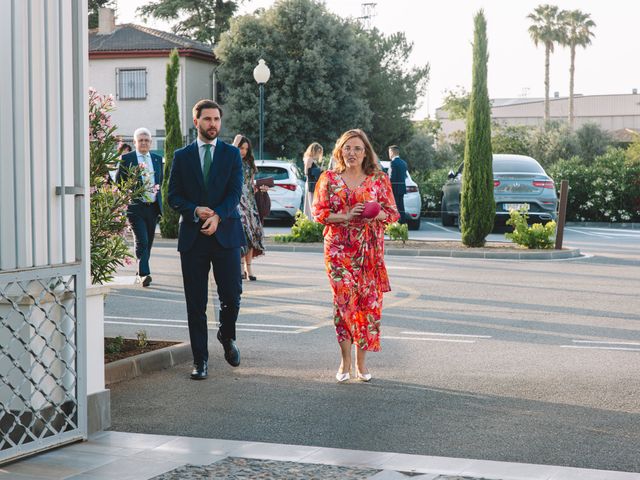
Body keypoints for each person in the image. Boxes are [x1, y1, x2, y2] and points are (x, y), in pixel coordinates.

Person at [312, 129, 399, 383]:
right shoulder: (329, 178)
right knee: (344, 303)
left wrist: (375, 213)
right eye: (347, 148)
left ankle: (362, 364)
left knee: (368, 306)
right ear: (340, 151)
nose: (352, 153)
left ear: (365, 153)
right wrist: (347, 215)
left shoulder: (378, 180)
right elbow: (319, 213)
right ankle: (344, 361)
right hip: (338, 249)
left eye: (357, 149)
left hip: (369, 252)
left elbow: (392, 213)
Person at [167, 99, 244, 380]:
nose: (213, 124)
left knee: (232, 297)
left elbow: (235, 193)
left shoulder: (231, 155)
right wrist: (194, 210)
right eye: (207, 119)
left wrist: (218, 216)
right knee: (195, 303)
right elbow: (172, 195)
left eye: (217, 119)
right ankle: (200, 360)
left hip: (226, 235)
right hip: (193, 239)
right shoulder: (182, 156)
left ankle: (226, 334)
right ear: (196, 121)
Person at [115, 129, 163, 287]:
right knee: (142, 241)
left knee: (148, 242)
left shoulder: (157, 159)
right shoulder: (127, 159)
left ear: (150, 142)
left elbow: (159, 182)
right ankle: (144, 274)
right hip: (135, 207)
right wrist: (126, 199)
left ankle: (141, 269)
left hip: (153, 207)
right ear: (135, 143)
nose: (143, 143)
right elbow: (119, 182)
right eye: (140, 140)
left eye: (146, 140)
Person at [233, 134, 266, 281]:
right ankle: (240, 267)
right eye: (241, 148)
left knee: (252, 234)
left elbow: (251, 184)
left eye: (246, 149)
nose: (243, 151)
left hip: (250, 202)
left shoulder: (249, 164)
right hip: (236, 201)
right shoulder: (231, 161)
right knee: (242, 233)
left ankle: (249, 268)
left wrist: (260, 189)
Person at [302, 142, 324, 219]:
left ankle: (310, 218)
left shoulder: (310, 159)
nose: (319, 154)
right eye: (319, 152)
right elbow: (306, 172)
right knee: (311, 201)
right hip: (311, 183)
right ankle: (311, 218)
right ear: (315, 151)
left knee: (311, 201)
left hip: (311, 182)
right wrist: (318, 170)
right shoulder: (309, 159)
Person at [388, 145, 408, 224]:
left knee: (394, 207)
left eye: (389, 152)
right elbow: (405, 176)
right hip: (402, 188)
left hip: (394, 188)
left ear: (392, 152)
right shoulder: (404, 163)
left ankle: (395, 223)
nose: (389, 154)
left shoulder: (393, 163)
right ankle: (402, 223)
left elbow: (391, 177)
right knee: (401, 207)